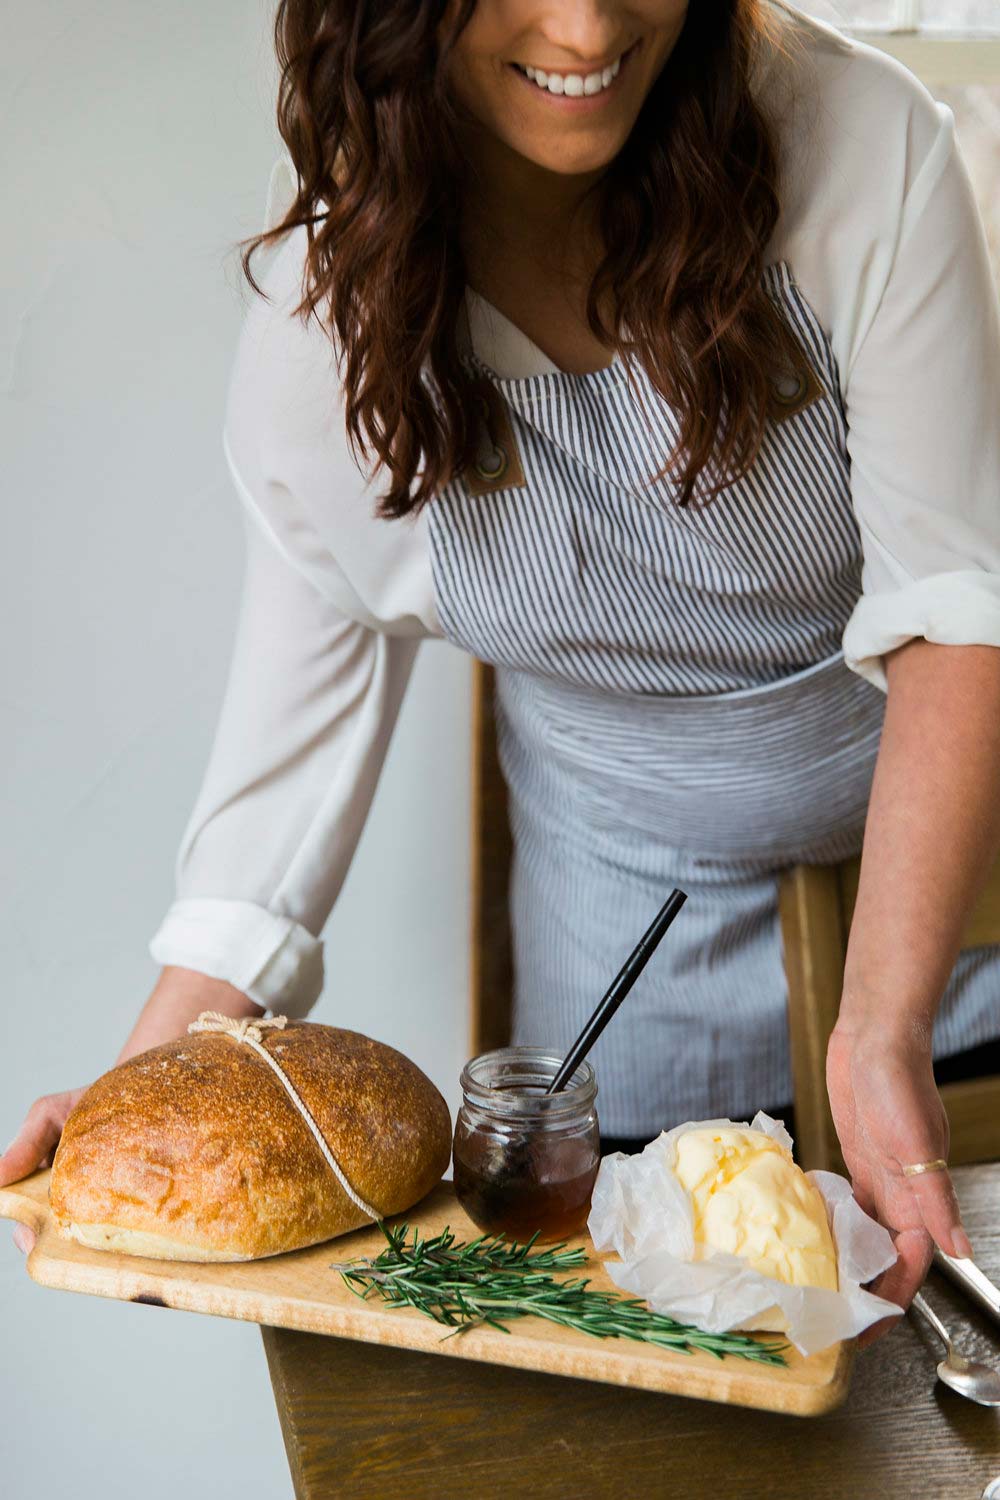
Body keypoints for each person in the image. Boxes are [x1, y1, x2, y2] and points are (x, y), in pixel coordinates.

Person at [5, 0, 1000, 1345]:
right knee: (681, 1378)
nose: (586, 25)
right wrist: (136, 1098)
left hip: (952, 885)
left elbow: (955, 611)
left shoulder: (863, 140)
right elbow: (274, 815)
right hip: (628, 940)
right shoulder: (322, 338)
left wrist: (881, 1028)